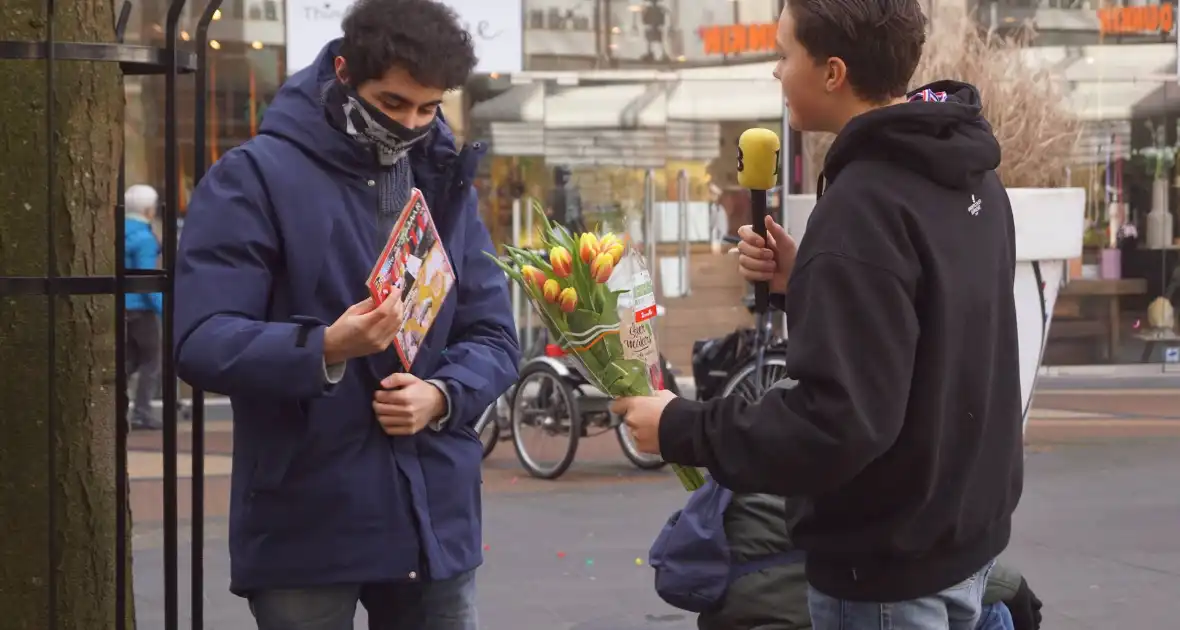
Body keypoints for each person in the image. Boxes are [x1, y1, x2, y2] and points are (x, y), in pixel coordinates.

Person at [614, 1, 1023, 629]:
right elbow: (928, 336)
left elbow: (836, 421)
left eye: (783, 55)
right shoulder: (972, 178)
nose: (775, 73)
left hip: (885, 567)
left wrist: (680, 427)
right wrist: (806, 281)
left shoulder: (865, 203)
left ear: (833, 72)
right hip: (964, 537)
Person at [173, 1, 520, 628]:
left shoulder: (442, 181)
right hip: (306, 515)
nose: (410, 124)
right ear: (343, 72)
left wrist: (442, 395)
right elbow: (202, 338)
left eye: (428, 108)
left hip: (431, 517)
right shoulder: (252, 179)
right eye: (391, 104)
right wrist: (327, 346)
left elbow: (494, 333)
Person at [124, 184, 164, 431]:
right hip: (142, 308)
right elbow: (147, 280)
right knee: (152, 360)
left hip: (123, 306)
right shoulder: (145, 239)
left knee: (128, 360)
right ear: (149, 210)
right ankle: (142, 412)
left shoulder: (118, 232)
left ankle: (117, 406)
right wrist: (164, 307)